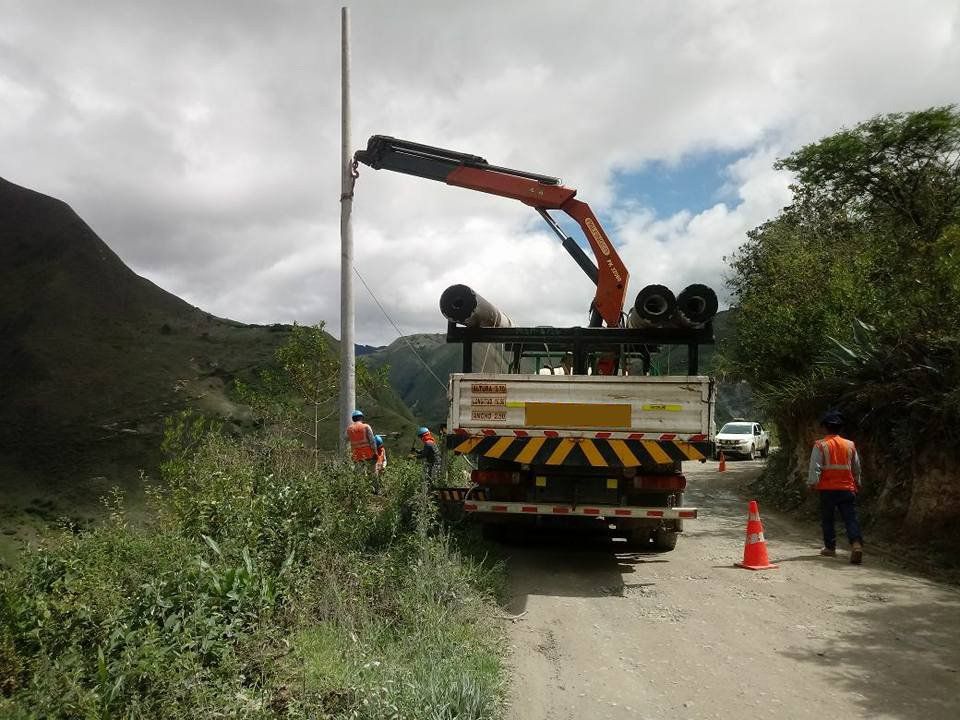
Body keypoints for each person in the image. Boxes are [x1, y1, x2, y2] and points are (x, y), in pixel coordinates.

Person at [807, 410, 864, 564]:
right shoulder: (850, 445)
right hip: (847, 488)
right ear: (840, 428)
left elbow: (815, 467)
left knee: (828, 518)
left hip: (827, 489)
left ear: (825, 427)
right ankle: (856, 544)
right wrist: (858, 481)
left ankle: (830, 548)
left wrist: (812, 483)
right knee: (850, 518)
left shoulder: (820, 445)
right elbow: (856, 467)